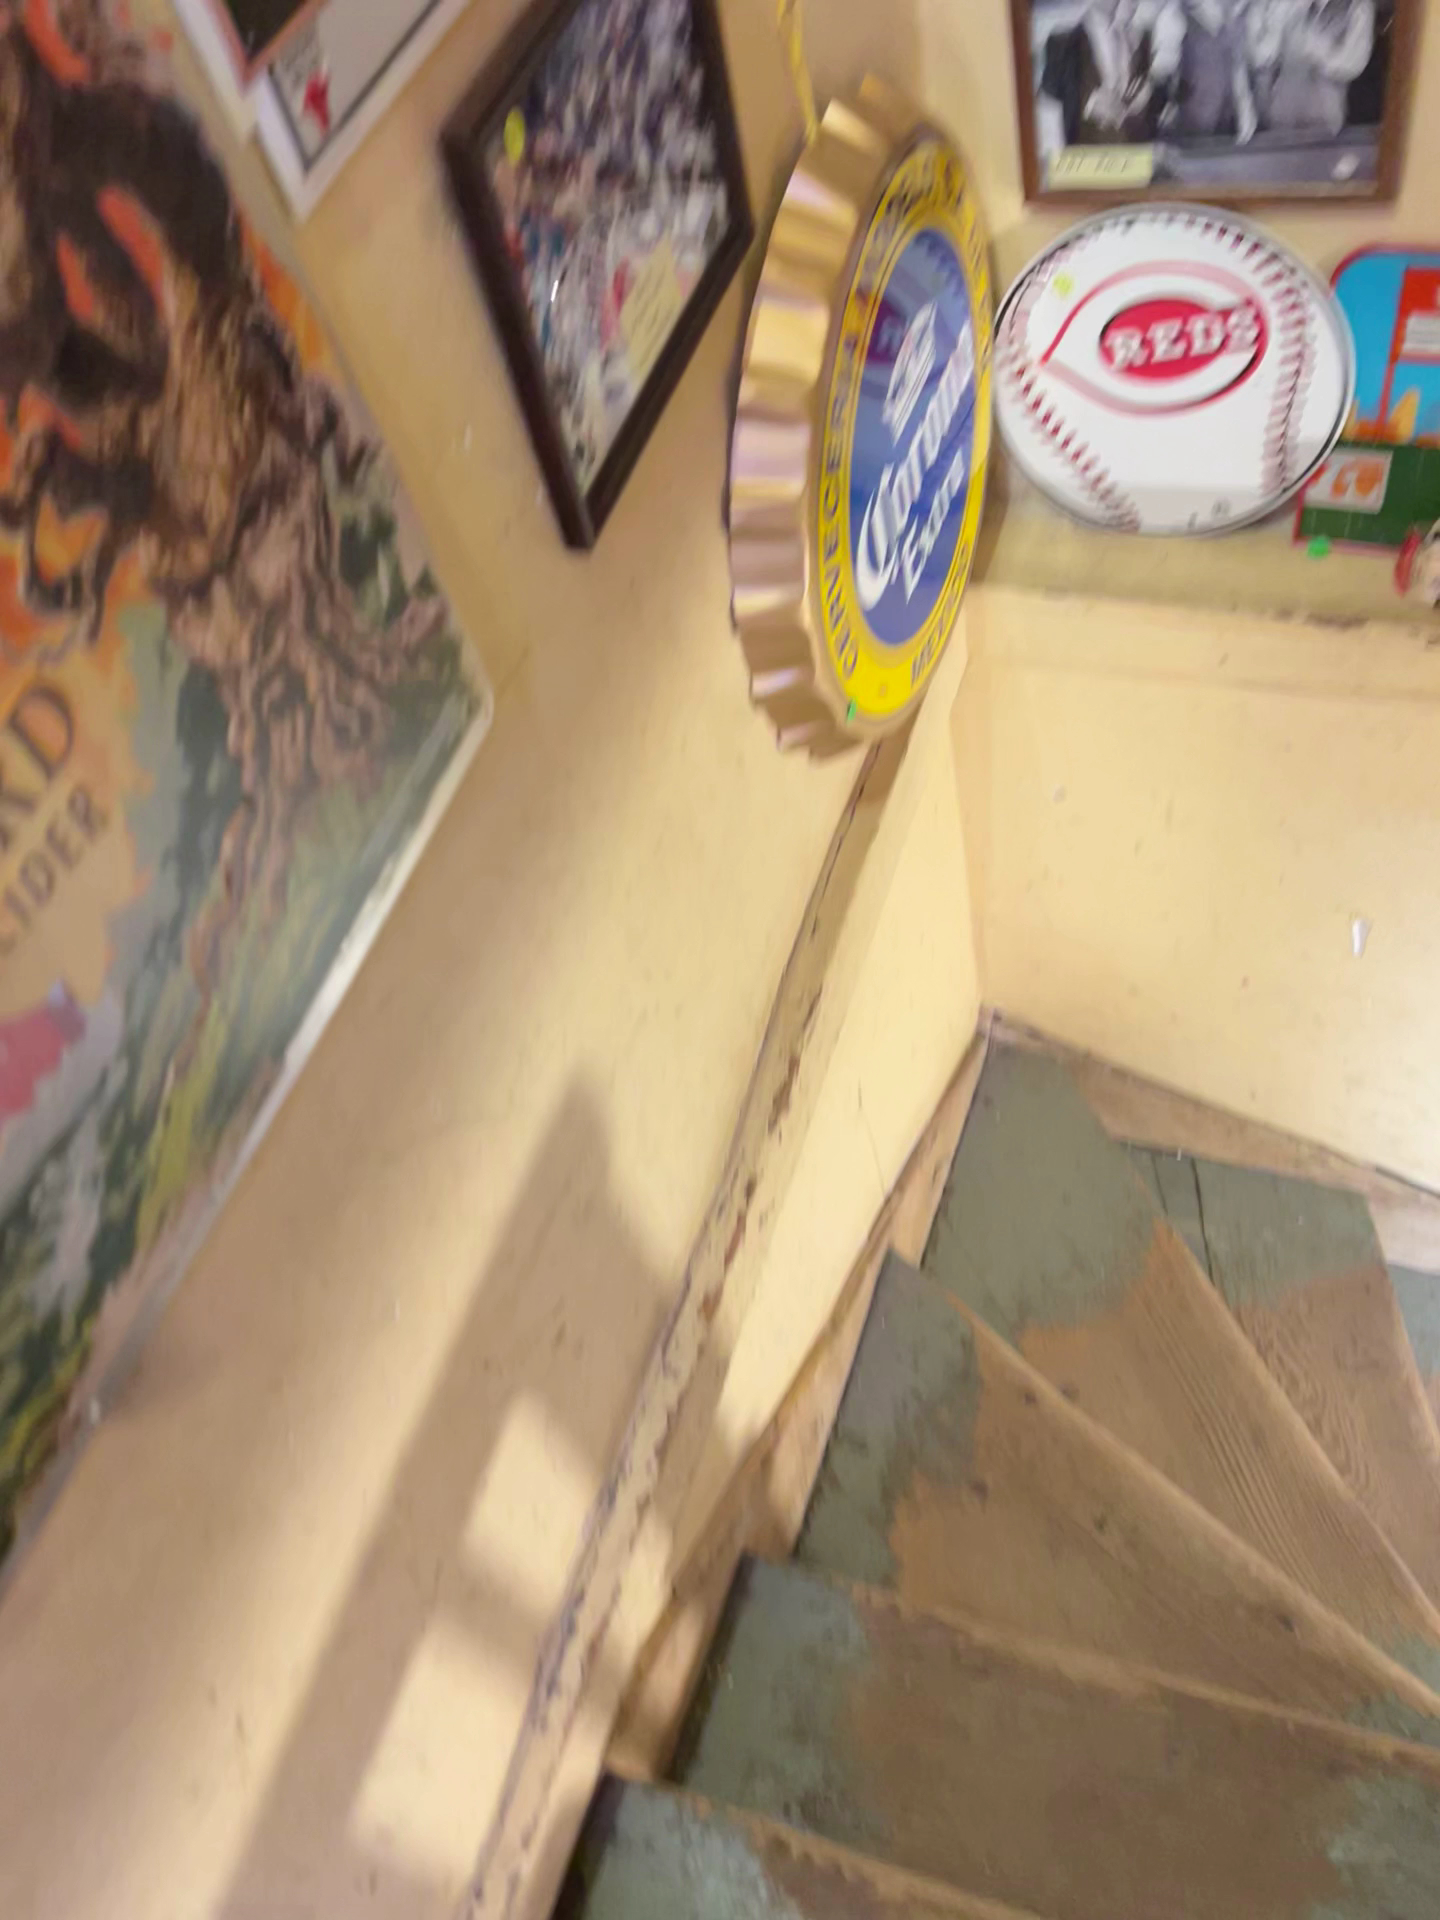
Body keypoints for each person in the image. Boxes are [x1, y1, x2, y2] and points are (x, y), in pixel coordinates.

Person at [1039, 0, 1160, 144]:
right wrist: (1090, 104)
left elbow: (1150, 106)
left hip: (1135, 150)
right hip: (1088, 153)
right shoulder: (1062, 42)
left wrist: (1148, 97)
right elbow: (1046, 106)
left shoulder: (1137, 37)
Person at [1247, 0, 1375, 134]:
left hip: (1322, 116)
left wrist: (1315, 47)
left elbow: (1352, 64)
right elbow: (1262, 57)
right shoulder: (1285, 4)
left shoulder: (1357, 6)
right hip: (1281, 113)